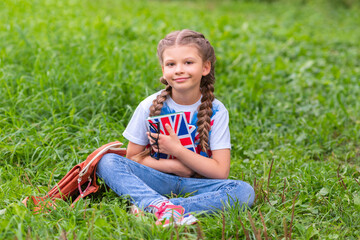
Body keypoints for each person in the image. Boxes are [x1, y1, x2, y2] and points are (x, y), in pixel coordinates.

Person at [96, 29, 255, 227]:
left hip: (199, 184)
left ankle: (156, 207)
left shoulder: (217, 110)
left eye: (188, 62)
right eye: (171, 64)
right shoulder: (149, 105)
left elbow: (220, 172)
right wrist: (175, 167)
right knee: (107, 161)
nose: (179, 69)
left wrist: (177, 150)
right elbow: (132, 158)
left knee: (243, 191)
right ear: (163, 70)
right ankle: (159, 205)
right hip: (155, 179)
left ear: (205, 67)